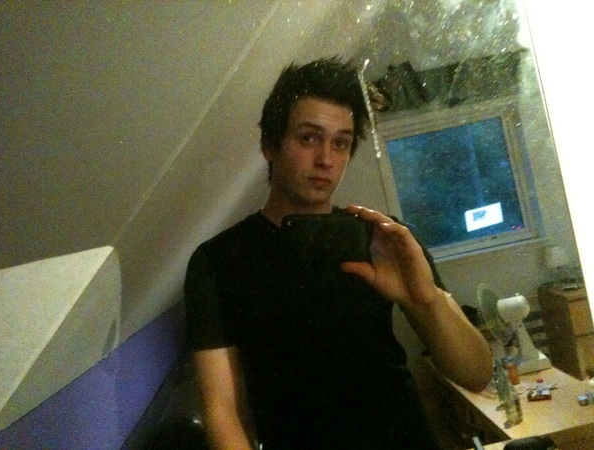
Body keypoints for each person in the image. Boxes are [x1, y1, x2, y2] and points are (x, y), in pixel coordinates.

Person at [184, 56, 493, 450]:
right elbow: (222, 413)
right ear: (269, 145)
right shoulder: (218, 261)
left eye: (341, 143)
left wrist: (424, 299)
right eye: (308, 138)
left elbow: (476, 374)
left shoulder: (384, 240)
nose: (326, 160)